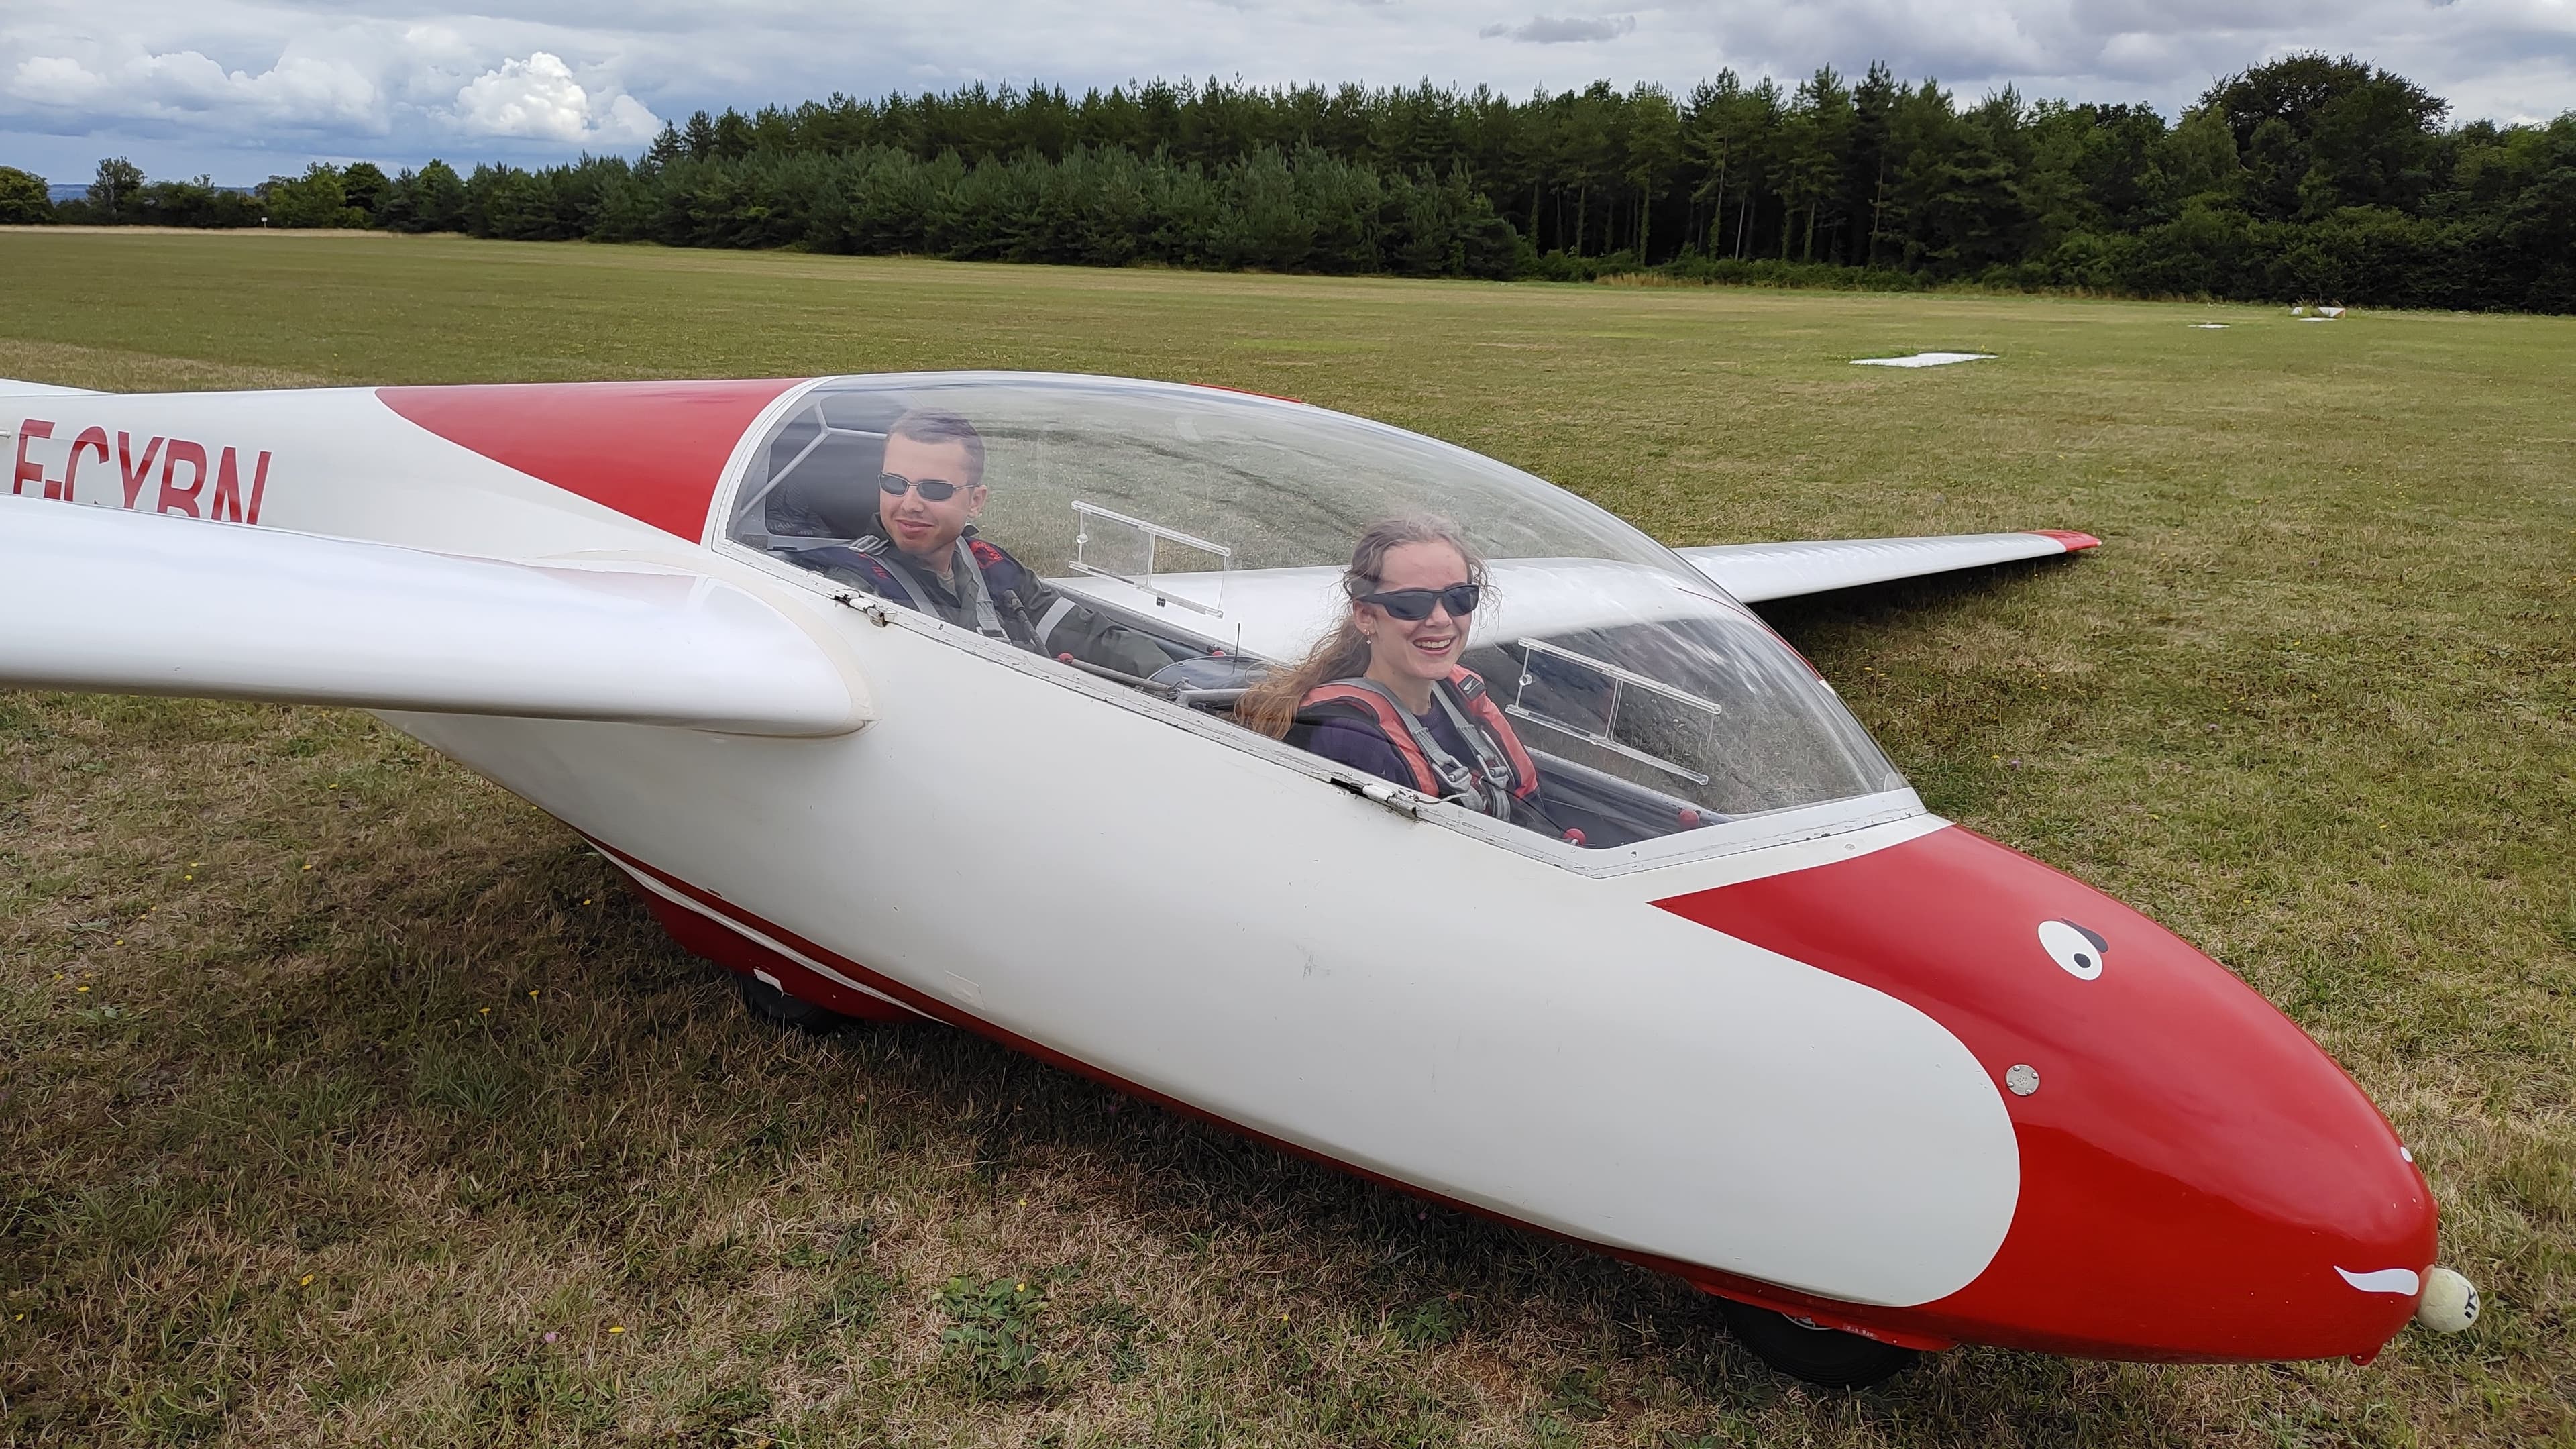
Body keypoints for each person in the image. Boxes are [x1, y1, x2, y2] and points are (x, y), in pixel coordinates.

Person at [788, 408, 1171, 678]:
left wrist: (1178, 678)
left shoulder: (992, 568)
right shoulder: (849, 584)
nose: (910, 504)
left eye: (933, 489)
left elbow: (1091, 637)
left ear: (976, 501)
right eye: (895, 484)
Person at [1238, 516, 1552, 830]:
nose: (1441, 619)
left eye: (1459, 598)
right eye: (1412, 603)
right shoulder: (1353, 738)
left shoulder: (1460, 696)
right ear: (1365, 615)